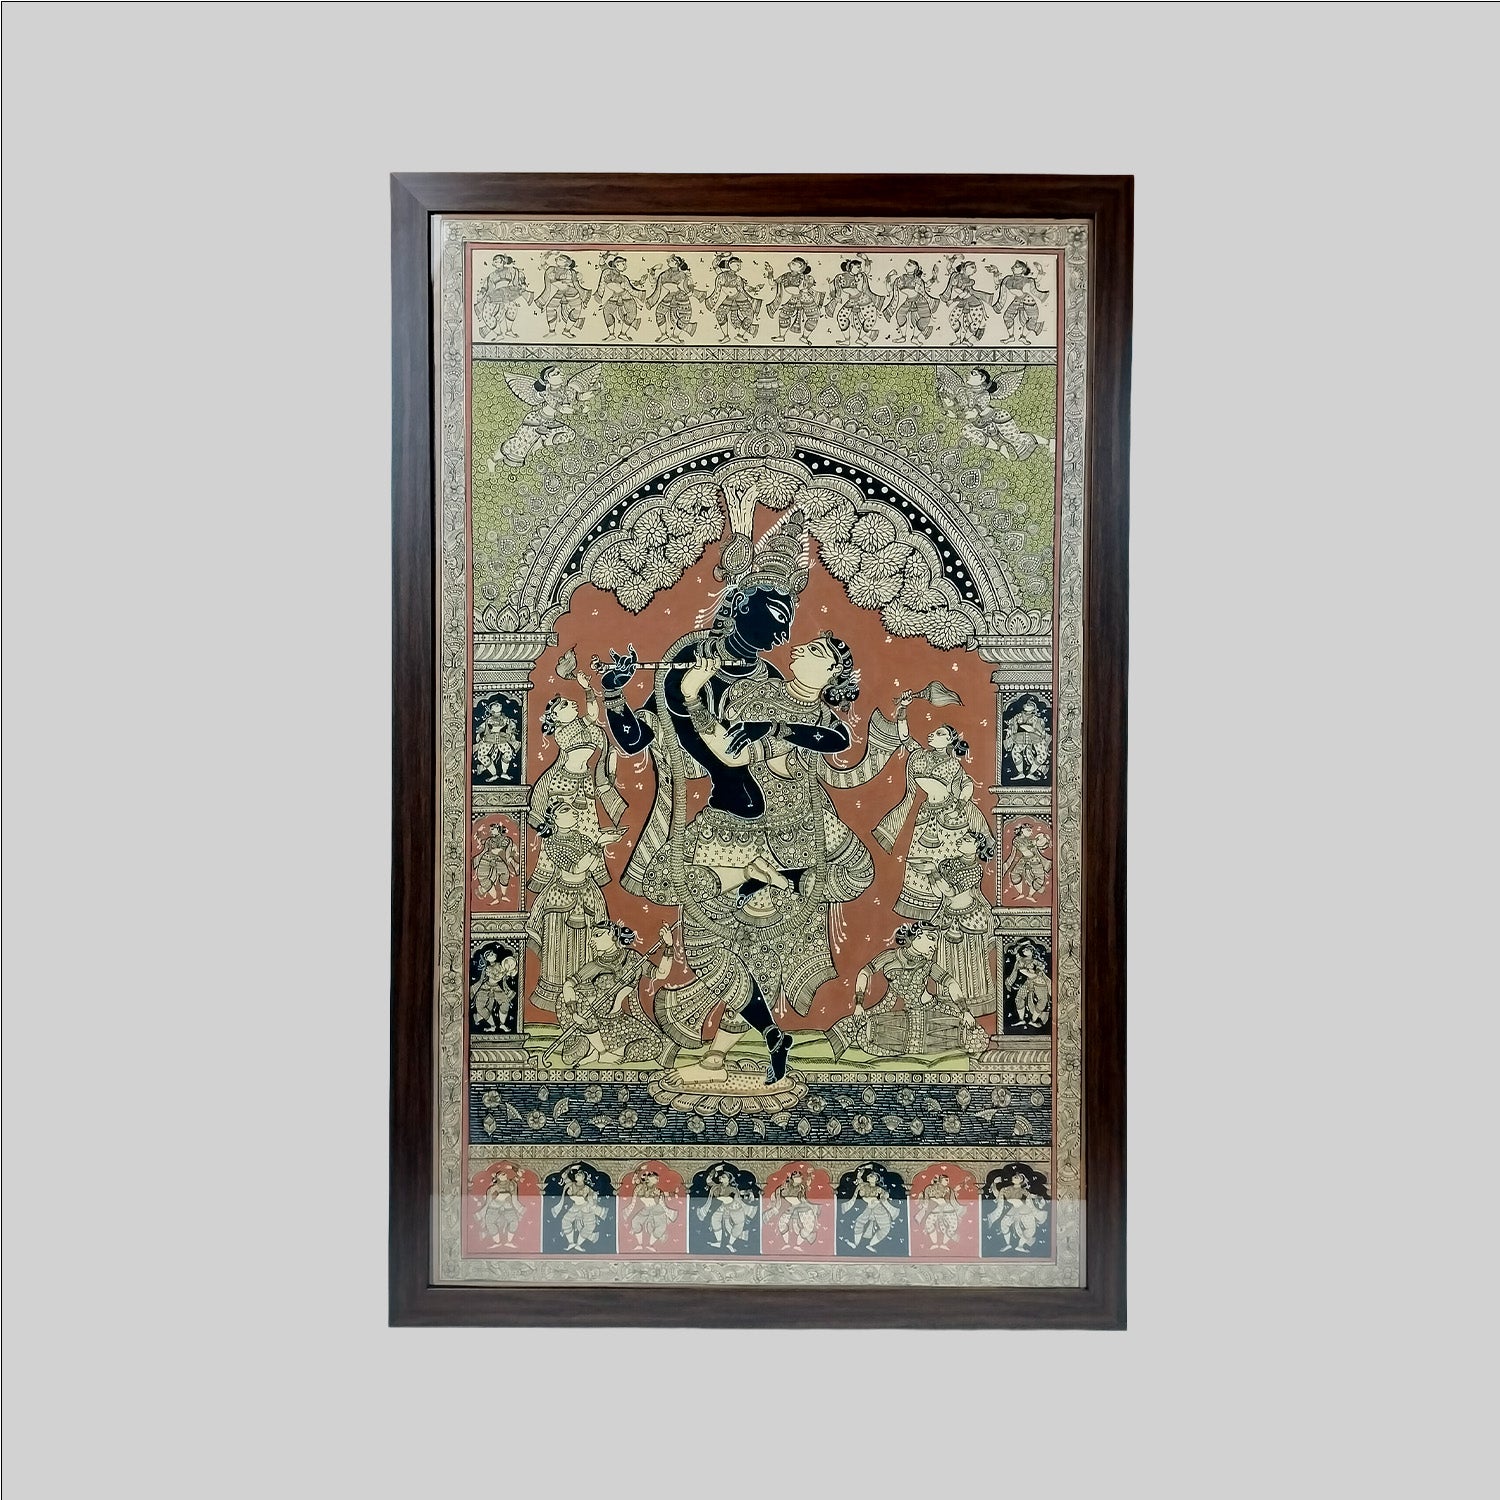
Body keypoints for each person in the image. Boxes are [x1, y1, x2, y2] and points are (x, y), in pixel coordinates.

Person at [598, 506, 903, 1086]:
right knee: (713, 939)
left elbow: (812, 740)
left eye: (792, 626)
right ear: (741, 601)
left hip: (765, 830)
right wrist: (615, 697)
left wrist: (749, 724)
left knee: (743, 942)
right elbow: (639, 738)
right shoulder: (687, 658)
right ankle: (763, 1035)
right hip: (712, 823)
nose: (786, 635)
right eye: (778, 613)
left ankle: (738, 1040)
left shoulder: (766, 684)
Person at [874, 715, 990, 925]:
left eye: (939, 733)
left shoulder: (953, 764)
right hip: (926, 814)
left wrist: (959, 808)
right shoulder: (920, 755)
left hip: (950, 818)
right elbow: (905, 738)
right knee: (919, 861)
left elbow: (967, 785)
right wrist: (902, 712)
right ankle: (923, 912)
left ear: (949, 740)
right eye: (933, 733)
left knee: (946, 863)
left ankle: (950, 910)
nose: (932, 735)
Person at [833, 922, 986, 1060]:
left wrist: (965, 1011)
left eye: (936, 941)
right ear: (917, 936)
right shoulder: (890, 957)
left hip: (931, 1009)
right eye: (931, 938)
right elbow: (864, 973)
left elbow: (951, 983)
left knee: (975, 1035)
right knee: (859, 1030)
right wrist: (859, 1004)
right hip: (899, 1011)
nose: (935, 946)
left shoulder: (928, 965)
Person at [524, 803, 619, 1015]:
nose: (574, 813)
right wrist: (598, 844)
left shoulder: (583, 838)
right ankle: (558, 996)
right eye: (566, 811)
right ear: (554, 819)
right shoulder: (552, 843)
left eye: (573, 810)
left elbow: (590, 867)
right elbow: (576, 868)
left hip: (586, 895)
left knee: (587, 947)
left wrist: (599, 846)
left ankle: (584, 994)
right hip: (560, 899)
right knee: (559, 949)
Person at [554, 920, 676, 1068]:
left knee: (654, 1045)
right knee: (564, 999)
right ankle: (602, 1051)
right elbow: (568, 985)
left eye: (597, 935)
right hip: (593, 1022)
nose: (591, 941)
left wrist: (669, 945)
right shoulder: (595, 966)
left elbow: (661, 974)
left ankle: (602, 1053)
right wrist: (574, 1014)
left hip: (617, 1024)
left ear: (612, 934)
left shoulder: (633, 958)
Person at [933, 829, 999, 1018]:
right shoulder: (948, 864)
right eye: (962, 838)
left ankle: (973, 1008)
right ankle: (949, 1007)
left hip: (972, 920)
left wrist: (933, 872)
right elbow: (939, 892)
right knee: (948, 963)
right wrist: (932, 875)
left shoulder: (975, 870)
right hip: (948, 918)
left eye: (967, 840)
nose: (961, 841)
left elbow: (951, 891)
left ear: (978, 847)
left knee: (972, 967)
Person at [703, 253, 762, 342]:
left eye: (740, 266)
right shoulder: (722, 275)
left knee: (749, 316)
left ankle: (740, 335)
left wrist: (752, 293)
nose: (739, 268)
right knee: (720, 314)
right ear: (730, 264)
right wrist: (721, 256)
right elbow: (715, 265)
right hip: (730, 298)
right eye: (738, 265)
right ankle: (726, 336)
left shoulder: (738, 278)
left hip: (741, 298)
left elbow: (742, 289)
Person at [987, 1168, 1049, 1251]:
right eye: (1015, 1176)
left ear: (1021, 1180)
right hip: (1015, 1209)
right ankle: (1008, 1244)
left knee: (1030, 1229)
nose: (1016, 1176)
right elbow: (997, 1195)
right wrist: (994, 1183)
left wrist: (1038, 1199)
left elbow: (1031, 1199)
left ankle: (1020, 1246)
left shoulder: (1023, 1191)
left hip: (1024, 1209)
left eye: (1018, 1176)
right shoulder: (1006, 1189)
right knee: (1003, 1224)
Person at [474, 252, 533, 340]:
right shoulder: (492, 275)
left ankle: (509, 331)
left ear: (503, 262)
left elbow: (519, 274)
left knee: (512, 308)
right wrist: (482, 293)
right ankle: (499, 334)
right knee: (488, 315)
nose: (496, 263)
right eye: (495, 262)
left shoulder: (511, 270)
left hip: (508, 295)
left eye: (497, 261)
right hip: (495, 297)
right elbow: (486, 286)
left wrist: (523, 283)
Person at [990, 259, 1049, 344]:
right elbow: (998, 282)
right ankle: (1011, 337)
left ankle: (1023, 337)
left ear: (1022, 269)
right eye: (1014, 266)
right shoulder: (1008, 279)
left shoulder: (1025, 279)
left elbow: (1036, 280)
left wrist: (1040, 270)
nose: (1013, 267)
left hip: (1027, 299)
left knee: (1033, 317)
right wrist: (995, 272)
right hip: (1017, 299)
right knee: (1007, 317)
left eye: (1017, 266)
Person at [698, 1166, 756, 1251]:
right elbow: (708, 1181)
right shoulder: (716, 1187)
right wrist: (714, 1170)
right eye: (720, 1176)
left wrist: (749, 1192)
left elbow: (729, 1199)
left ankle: (730, 1244)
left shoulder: (732, 1189)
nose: (720, 1177)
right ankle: (718, 1242)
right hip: (723, 1207)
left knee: (738, 1225)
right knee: (714, 1219)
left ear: (728, 1180)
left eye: (723, 1177)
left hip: (735, 1208)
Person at [935, 258, 992, 343]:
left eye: (974, 267)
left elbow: (965, 294)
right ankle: (959, 339)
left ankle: (966, 339)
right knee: (953, 319)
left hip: (974, 303)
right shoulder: (957, 277)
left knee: (975, 322)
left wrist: (952, 300)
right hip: (963, 301)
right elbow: (958, 290)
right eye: (972, 267)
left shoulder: (969, 281)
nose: (974, 269)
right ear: (964, 269)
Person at [882, 258, 939, 343]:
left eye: (909, 265)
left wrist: (934, 277)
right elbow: (889, 289)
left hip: (920, 300)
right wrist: (888, 276)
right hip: (909, 301)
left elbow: (926, 285)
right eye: (907, 264)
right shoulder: (900, 279)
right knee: (900, 315)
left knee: (926, 317)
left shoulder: (917, 279)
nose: (906, 265)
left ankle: (915, 338)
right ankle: (903, 337)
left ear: (915, 268)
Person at [826, 256, 880, 343]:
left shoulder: (859, 276)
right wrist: (836, 296)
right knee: (841, 317)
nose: (860, 269)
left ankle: (860, 339)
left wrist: (865, 258)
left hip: (863, 299)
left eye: (860, 267)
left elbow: (867, 270)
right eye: (858, 267)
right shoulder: (840, 277)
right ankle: (847, 340)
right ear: (850, 267)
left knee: (870, 318)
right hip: (852, 300)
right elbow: (834, 286)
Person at [767, 258, 822, 342]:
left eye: (793, 264)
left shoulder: (804, 277)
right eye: (791, 262)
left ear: (800, 268)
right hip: (794, 298)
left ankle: (804, 337)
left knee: (813, 317)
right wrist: (770, 272)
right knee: (783, 315)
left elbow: (808, 284)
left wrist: (805, 286)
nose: (790, 263)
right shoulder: (785, 276)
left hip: (805, 298)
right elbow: (772, 283)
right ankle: (781, 336)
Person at [645, 254, 697, 343]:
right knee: (659, 313)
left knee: (685, 316)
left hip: (681, 297)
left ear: (677, 263)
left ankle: (675, 336)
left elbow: (690, 283)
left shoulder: (682, 274)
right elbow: (653, 281)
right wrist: (653, 270)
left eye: (672, 260)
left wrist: (690, 291)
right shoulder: (664, 274)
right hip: (669, 297)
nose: (668, 261)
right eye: (669, 260)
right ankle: (663, 334)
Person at [553, 1167, 607, 1252]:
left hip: (586, 1208)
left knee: (589, 1226)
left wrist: (590, 1202)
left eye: (579, 1175)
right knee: (565, 1221)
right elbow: (564, 1176)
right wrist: (570, 1168)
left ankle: (578, 1244)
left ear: (583, 1178)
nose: (576, 1175)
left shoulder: (587, 1188)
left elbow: (593, 1198)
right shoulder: (572, 1185)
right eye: (576, 1174)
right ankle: (571, 1243)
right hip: (575, 1207)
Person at [844, 1169, 898, 1252]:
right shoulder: (864, 1186)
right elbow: (860, 1183)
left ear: (876, 1179)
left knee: (885, 1227)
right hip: (869, 1207)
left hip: (878, 1208)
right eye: (869, 1176)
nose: (869, 1177)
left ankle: (870, 1244)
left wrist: (880, 1199)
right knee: (859, 1223)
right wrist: (859, 1175)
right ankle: (856, 1244)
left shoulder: (878, 1189)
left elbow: (885, 1194)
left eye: (872, 1176)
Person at [767, 1168, 821, 1251]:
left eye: (800, 1177)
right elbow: (778, 1195)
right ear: (793, 1178)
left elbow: (803, 1199)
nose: (800, 1179)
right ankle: (787, 1244)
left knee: (808, 1227)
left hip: (803, 1209)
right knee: (781, 1224)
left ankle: (797, 1245)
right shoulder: (784, 1187)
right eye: (798, 1177)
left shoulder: (801, 1187)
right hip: (790, 1208)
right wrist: (775, 1204)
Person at [596, 254, 646, 341]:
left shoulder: (623, 278)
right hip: (613, 299)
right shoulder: (607, 272)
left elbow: (630, 287)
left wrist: (639, 283)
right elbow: (601, 262)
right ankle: (611, 335)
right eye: (622, 264)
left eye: (624, 264)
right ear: (616, 264)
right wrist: (608, 253)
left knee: (632, 314)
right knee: (607, 313)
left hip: (626, 298)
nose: (625, 266)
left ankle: (623, 334)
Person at [624, 1168, 676, 1251]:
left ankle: (650, 1245)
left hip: (658, 1210)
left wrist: (659, 1195)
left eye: (658, 1178)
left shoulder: (656, 1190)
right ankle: (640, 1244)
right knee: (635, 1221)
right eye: (656, 1178)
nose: (658, 1180)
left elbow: (658, 1201)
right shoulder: (640, 1187)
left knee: (660, 1227)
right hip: (647, 1209)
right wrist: (638, 1170)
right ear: (649, 1178)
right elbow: (635, 1180)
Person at [538, 251, 588, 336]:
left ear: (566, 264)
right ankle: (552, 331)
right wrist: (549, 253)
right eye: (558, 258)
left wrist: (583, 296)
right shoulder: (551, 269)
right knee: (550, 308)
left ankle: (567, 331)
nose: (557, 259)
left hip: (572, 293)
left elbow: (574, 284)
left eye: (561, 259)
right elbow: (543, 263)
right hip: (560, 293)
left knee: (576, 310)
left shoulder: (571, 272)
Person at [471, 820, 522, 903]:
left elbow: (509, 852)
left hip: (500, 860)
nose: (491, 831)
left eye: (492, 829)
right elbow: (483, 847)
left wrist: (510, 857)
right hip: (487, 860)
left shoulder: (507, 840)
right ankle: (495, 898)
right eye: (491, 829)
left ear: (498, 829)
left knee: (505, 875)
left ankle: (503, 896)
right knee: (485, 878)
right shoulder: (489, 840)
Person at [1001, 820, 1051, 902]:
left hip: (1035, 860)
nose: (1031, 832)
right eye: (1029, 830)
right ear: (1022, 830)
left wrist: (1043, 839)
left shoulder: (1028, 841)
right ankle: (1021, 893)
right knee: (1014, 874)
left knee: (1040, 879)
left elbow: (1041, 844)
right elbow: (1013, 854)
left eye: (1031, 830)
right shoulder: (1017, 841)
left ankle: (1030, 895)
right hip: (1024, 860)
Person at [472, 699, 522, 783]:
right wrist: (480, 733)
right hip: (489, 740)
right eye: (495, 712)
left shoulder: (505, 719)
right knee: (481, 755)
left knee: (508, 753)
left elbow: (512, 726)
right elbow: (481, 728)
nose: (498, 714)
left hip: (502, 740)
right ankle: (494, 774)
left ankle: (504, 773)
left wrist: (512, 732)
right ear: (491, 712)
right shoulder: (488, 720)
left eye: (499, 712)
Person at [470, 948, 518, 1033]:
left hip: (496, 988)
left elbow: (508, 971)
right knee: (481, 1007)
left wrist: (510, 970)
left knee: (505, 1003)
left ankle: (502, 1024)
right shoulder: (488, 968)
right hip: (485, 988)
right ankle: (492, 1025)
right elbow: (496, 977)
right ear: (487, 959)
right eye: (491, 955)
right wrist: (504, 973)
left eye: (493, 953)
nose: (494, 955)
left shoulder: (500, 965)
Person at [1005, 942, 1052, 1029]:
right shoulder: (1020, 960)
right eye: (1023, 950)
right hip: (1027, 982)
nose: (1024, 951)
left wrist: (1038, 970)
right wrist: (1033, 973)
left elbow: (1041, 967)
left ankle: (1033, 1020)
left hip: (1039, 982)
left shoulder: (1035, 961)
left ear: (1031, 951)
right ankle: (1021, 1019)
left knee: (1043, 1000)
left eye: (1026, 950)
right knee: (1019, 999)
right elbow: (1023, 971)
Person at [476, 1165, 524, 1247]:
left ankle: (509, 1242)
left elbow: (519, 1174)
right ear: (498, 1177)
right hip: (494, 1208)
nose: (504, 1174)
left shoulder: (511, 1183)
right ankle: (497, 1242)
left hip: (508, 1208)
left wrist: (512, 1167)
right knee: (490, 1222)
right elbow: (492, 1198)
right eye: (502, 1174)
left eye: (505, 1173)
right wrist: (501, 1196)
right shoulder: (494, 1188)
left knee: (514, 1222)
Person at [915, 1172, 965, 1249]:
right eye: (946, 1180)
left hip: (947, 1210)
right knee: (929, 1224)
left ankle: (944, 1244)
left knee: (952, 1226)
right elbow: (927, 1200)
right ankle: (935, 1243)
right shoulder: (929, 1188)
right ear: (940, 1180)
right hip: (934, 1210)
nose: (948, 1182)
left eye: (948, 1180)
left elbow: (952, 1201)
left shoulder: (948, 1190)